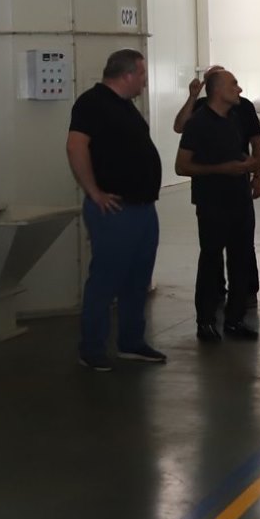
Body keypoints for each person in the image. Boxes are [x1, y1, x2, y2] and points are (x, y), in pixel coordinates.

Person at [66, 49, 166, 370]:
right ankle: (91, 349)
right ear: (128, 75)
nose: (145, 82)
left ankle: (131, 342)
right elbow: (75, 146)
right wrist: (93, 191)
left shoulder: (126, 106)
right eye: (143, 75)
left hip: (142, 209)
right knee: (106, 280)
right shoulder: (92, 103)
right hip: (115, 211)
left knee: (137, 279)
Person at [175, 66, 260, 342]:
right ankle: (205, 321)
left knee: (240, 259)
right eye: (234, 84)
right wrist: (222, 169)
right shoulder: (199, 122)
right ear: (217, 90)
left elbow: (249, 147)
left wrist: (251, 168)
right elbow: (181, 166)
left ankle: (235, 320)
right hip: (212, 202)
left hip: (240, 199)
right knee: (211, 260)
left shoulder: (236, 116)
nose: (239, 89)